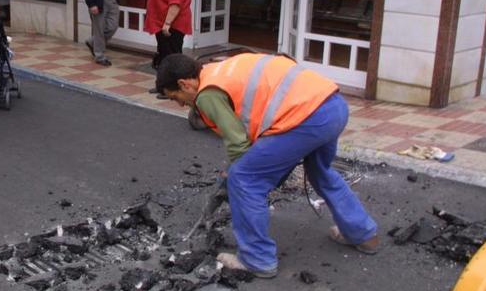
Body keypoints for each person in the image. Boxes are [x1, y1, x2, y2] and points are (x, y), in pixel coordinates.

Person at [155, 53, 379, 278]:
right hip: (332, 106)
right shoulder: (218, 70)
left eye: (176, 97)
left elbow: (238, 142)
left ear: (184, 83)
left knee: (244, 179)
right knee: (320, 171)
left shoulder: (207, 94)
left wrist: (232, 175)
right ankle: (362, 234)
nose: (181, 104)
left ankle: (257, 258)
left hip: (303, 118)